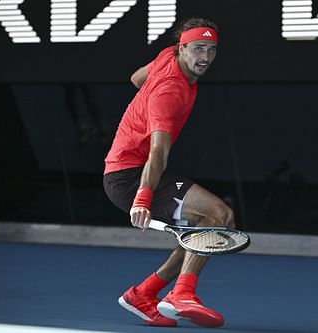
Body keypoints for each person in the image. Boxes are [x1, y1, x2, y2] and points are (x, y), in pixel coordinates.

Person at [103, 18, 234, 328]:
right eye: (198, 49)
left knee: (209, 224)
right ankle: (181, 294)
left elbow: (136, 78)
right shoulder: (169, 92)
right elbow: (158, 152)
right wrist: (142, 198)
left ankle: (144, 294)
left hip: (128, 170)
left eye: (211, 49)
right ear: (183, 48)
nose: (205, 58)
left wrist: (145, 99)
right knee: (218, 216)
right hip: (130, 178)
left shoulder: (167, 56)